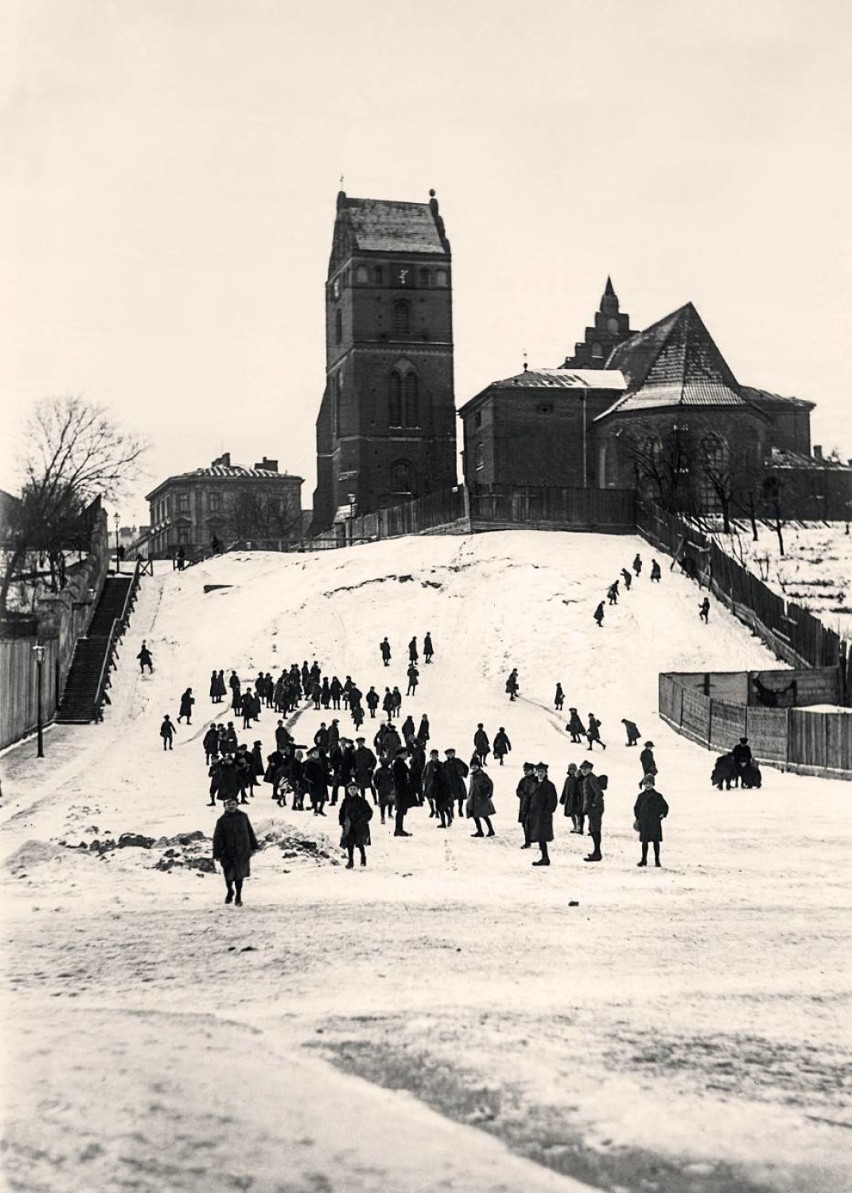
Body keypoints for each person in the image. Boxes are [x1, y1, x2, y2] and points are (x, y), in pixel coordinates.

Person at [212, 796, 259, 905]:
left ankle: (238, 896)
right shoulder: (221, 820)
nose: (231, 806)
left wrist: (254, 846)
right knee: (228, 875)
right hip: (227, 852)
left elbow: (249, 831)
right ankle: (230, 890)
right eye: (229, 804)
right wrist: (217, 853)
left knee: (239, 875)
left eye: (233, 804)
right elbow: (217, 838)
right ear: (225, 806)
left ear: (237, 805)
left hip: (242, 851)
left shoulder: (243, 817)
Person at [634, 775, 669, 867]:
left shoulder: (658, 796)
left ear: (653, 784)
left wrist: (663, 814)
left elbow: (665, 807)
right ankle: (643, 859)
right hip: (644, 822)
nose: (648, 785)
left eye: (650, 783)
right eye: (646, 783)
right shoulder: (641, 796)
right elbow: (636, 808)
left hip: (654, 822)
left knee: (656, 842)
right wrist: (638, 818)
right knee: (644, 842)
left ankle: (657, 860)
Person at [527, 762, 558, 866]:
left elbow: (553, 800)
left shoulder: (549, 785)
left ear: (546, 773)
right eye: (539, 771)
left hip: (543, 815)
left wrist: (547, 811)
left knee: (542, 836)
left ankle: (545, 858)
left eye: (542, 772)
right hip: (534, 814)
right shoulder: (533, 783)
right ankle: (544, 857)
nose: (540, 773)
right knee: (539, 836)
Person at [339, 781, 373, 868]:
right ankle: (351, 861)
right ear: (348, 790)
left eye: (354, 789)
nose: (352, 791)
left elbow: (369, 812)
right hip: (349, 826)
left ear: (358, 790)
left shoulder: (362, 801)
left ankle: (363, 857)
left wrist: (363, 820)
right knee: (349, 844)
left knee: (360, 843)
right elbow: (342, 812)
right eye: (351, 789)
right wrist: (342, 822)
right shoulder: (345, 801)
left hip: (359, 826)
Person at [579, 760, 605, 861]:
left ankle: (597, 853)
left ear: (590, 769)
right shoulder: (587, 778)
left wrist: (594, 804)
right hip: (592, 808)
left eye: (586, 768)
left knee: (595, 829)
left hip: (595, 808)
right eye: (582, 768)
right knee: (592, 829)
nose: (583, 770)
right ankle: (596, 851)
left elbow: (599, 793)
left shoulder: (592, 779)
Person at [466, 759, 496, 837]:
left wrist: (489, 793)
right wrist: (469, 796)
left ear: (479, 766)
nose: (474, 767)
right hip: (473, 799)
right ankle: (479, 831)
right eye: (472, 766)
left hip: (482, 799)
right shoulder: (472, 776)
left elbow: (490, 784)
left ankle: (491, 830)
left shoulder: (483, 775)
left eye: (476, 765)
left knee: (484, 815)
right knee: (474, 815)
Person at [392, 750, 413, 837]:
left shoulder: (400, 763)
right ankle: (398, 829)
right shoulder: (399, 763)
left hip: (401, 789)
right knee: (400, 809)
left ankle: (399, 829)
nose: (406, 756)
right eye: (404, 754)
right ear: (400, 755)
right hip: (401, 789)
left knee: (401, 809)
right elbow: (400, 777)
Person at [444, 748, 469, 820]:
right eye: (449, 754)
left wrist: (464, 774)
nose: (450, 755)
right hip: (449, 782)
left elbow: (466, 767)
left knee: (460, 796)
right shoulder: (445, 764)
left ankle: (460, 810)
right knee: (450, 798)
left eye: (452, 753)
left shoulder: (458, 761)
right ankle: (451, 811)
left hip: (458, 781)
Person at [516, 762, 536, 848]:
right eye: (524, 770)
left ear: (532, 770)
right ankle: (527, 841)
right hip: (524, 805)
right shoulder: (523, 780)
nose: (526, 772)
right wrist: (523, 795)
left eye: (528, 770)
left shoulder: (536, 780)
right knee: (524, 823)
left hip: (534, 805)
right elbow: (518, 791)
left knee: (533, 823)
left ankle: (535, 838)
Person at [560, 763, 583, 833]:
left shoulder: (578, 779)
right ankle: (575, 826)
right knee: (572, 813)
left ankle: (579, 827)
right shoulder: (568, 779)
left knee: (578, 813)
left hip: (577, 799)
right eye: (571, 769)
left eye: (573, 769)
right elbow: (565, 789)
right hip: (569, 799)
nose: (572, 771)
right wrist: (562, 798)